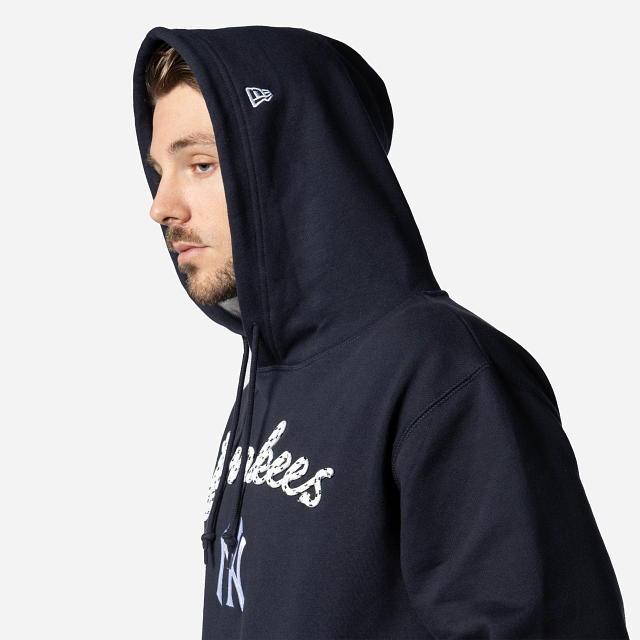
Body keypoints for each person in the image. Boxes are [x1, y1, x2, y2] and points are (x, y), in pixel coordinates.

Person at [132, 25, 629, 640]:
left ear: (301, 168)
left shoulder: (445, 372)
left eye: (201, 164)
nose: (161, 206)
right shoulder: (269, 380)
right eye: (160, 171)